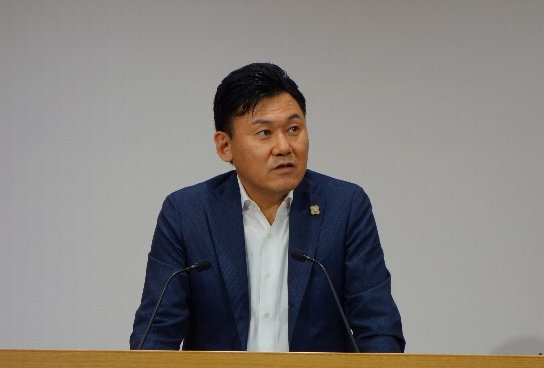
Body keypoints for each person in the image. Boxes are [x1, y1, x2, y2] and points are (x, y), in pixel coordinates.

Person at [130, 62, 404, 353]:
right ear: (224, 146)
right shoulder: (187, 214)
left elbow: (377, 326)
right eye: (264, 133)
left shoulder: (344, 207)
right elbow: (156, 333)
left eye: (294, 129)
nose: (284, 146)